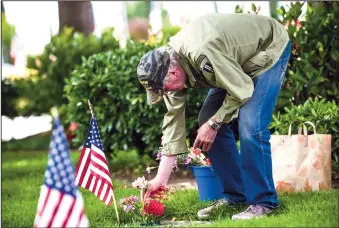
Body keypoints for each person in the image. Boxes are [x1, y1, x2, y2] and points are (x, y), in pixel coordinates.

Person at [137, 13, 291, 220]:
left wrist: (215, 123)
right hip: (232, 63)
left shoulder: (203, 53)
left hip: (267, 48)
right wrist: (161, 179)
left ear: (173, 73)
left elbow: (242, 89)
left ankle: (263, 202)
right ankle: (237, 197)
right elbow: (173, 124)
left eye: (162, 89)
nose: (164, 94)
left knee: (250, 125)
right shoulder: (170, 66)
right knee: (207, 117)